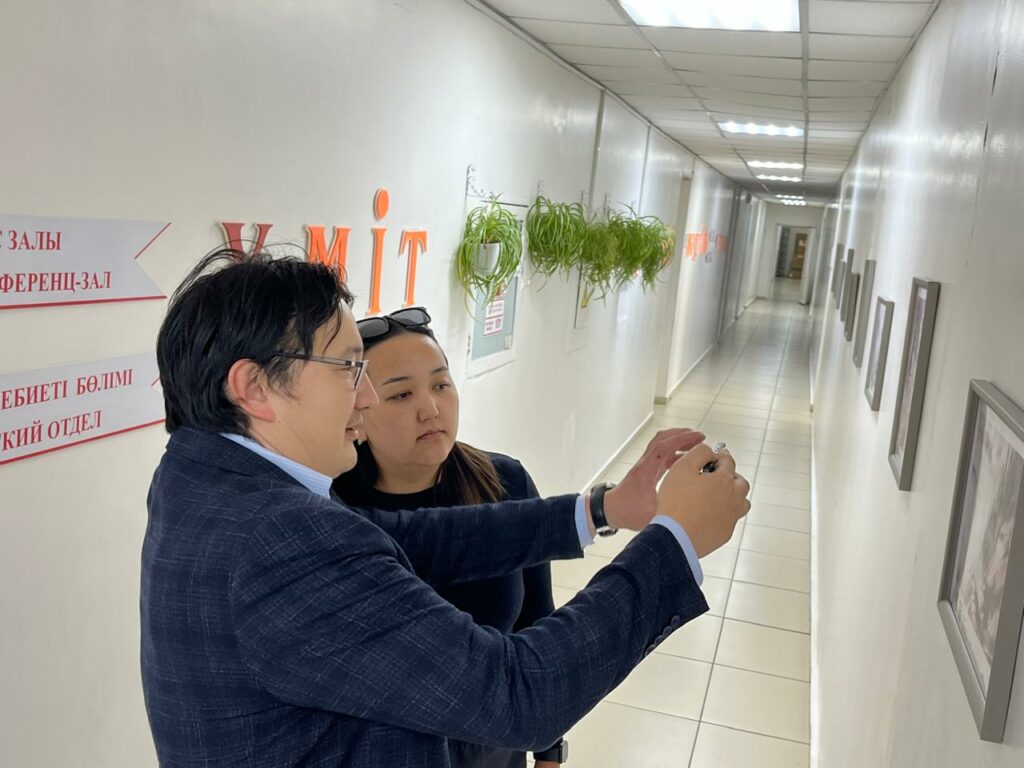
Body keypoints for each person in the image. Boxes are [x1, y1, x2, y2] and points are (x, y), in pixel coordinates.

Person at [142, 249, 751, 768]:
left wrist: (603, 508)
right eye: (349, 368)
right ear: (254, 388)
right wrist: (675, 541)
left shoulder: (202, 475)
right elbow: (518, 695)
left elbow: (411, 538)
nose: (367, 396)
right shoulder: (282, 538)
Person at [332, 306, 562, 768]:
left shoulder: (505, 483)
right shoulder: (334, 509)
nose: (431, 410)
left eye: (440, 385)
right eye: (401, 395)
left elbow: (537, 623)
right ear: (358, 411)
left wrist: (549, 752)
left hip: (494, 748)